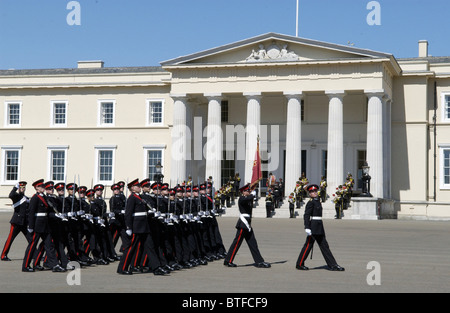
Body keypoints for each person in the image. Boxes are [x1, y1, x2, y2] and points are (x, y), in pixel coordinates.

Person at [295, 184, 345, 271]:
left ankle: (332, 265)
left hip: (319, 226)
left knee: (324, 245)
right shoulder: (310, 202)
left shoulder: (317, 201)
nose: (314, 193)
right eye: (311, 192)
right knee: (308, 246)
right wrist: (307, 227)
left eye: (315, 191)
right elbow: (306, 215)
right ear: (309, 194)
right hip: (313, 226)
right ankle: (299, 264)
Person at [22, 179, 65, 272]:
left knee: (49, 245)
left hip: (45, 225)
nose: (43, 188)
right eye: (41, 186)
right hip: (37, 225)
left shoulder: (44, 197)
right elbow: (31, 213)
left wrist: (56, 214)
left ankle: (55, 265)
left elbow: (48, 211)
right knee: (32, 245)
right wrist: (30, 226)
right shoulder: (35, 198)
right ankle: (25, 266)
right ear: (36, 188)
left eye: (43, 186)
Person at [223, 183, 270, 268]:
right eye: (247, 190)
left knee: (253, 243)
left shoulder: (248, 199)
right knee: (237, 243)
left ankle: (259, 261)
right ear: (243, 192)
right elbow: (247, 199)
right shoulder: (241, 199)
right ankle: (228, 260)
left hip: (247, 224)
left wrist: (253, 193)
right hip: (243, 224)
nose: (248, 191)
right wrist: (252, 195)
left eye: (249, 190)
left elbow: (250, 200)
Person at [2, 181, 31, 261]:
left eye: (23, 187)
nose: (22, 189)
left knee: (31, 239)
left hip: (24, 223)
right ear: (19, 188)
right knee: (10, 239)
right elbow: (11, 195)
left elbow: (27, 212)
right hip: (16, 222)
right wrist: (15, 187)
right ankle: (3, 255)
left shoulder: (26, 198)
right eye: (21, 187)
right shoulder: (16, 196)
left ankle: (34, 254)